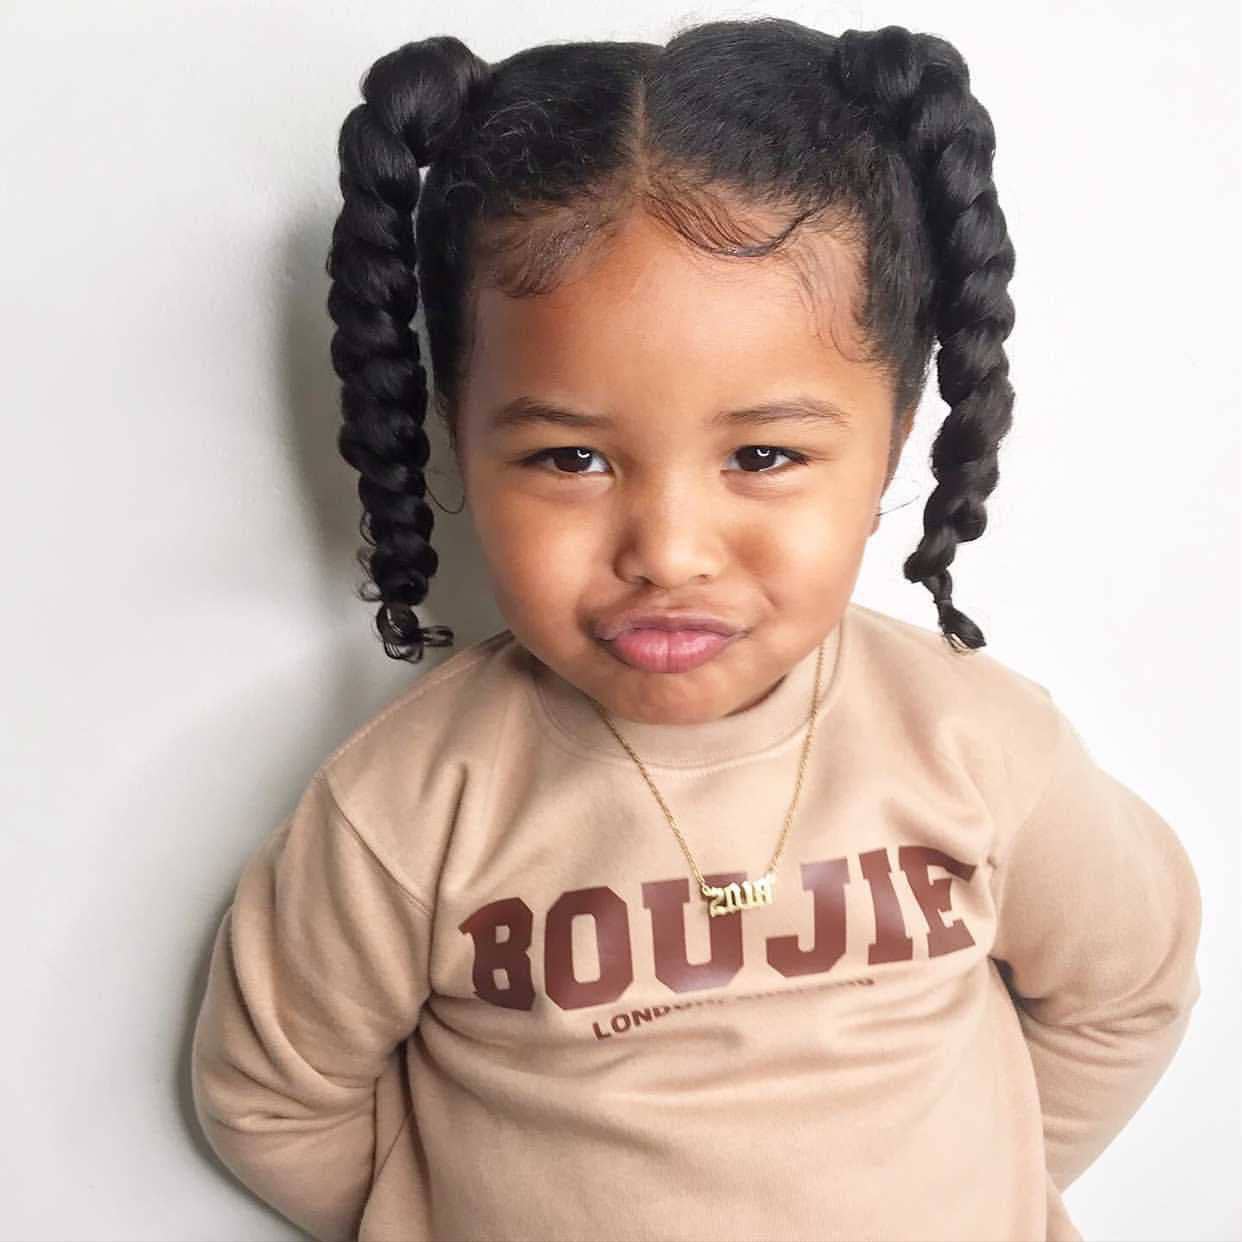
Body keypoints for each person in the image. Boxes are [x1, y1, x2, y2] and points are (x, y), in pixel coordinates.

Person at [189, 19, 1203, 1242]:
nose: (668, 551)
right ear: (458, 435)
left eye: (763, 455)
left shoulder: (980, 748)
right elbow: (272, 1097)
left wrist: (992, 1187)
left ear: (891, 442)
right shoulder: (407, 806)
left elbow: (1126, 990)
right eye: (570, 458)